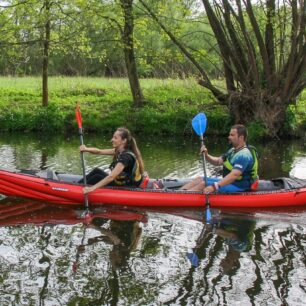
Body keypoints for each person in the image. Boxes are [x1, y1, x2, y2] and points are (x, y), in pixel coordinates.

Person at [181, 124, 258, 193]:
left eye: (232, 135)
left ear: (241, 137)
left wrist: (214, 186)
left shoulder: (244, 155)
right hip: (230, 183)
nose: (229, 137)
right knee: (199, 179)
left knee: (204, 184)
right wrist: (207, 155)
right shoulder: (232, 151)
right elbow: (218, 161)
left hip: (239, 186)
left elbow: (234, 175)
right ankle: (177, 193)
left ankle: (181, 198)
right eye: (229, 135)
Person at [79, 127, 145, 194]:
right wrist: (86, 149)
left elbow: (111, 177)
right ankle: (77, 186)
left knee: (97, 177)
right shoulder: (119, 151)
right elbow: (99, 151)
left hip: (128, 186)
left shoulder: (126, 157)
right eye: (113, 137)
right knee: (96, 170)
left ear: (124, 141)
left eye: (115, 138)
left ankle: (78, 189)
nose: (112, 140)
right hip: (122, 181)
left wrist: (92, 188)